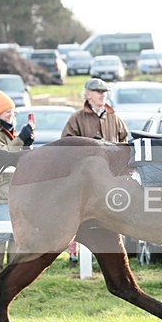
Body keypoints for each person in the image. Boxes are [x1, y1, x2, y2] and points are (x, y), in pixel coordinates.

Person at [61, 77, 129, 265]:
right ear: (88, 94)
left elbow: (125, 142)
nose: (102, 95)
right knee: (78, 220)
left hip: (110, 180)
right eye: (98, 91)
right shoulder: (76, 118)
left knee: (113, 221)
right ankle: (74, 257)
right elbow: (66, 145)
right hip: (84, 181)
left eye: (104, 92)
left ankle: (112, 262)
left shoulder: (114, 117)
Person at [0, 90, 34, 272]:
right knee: (1, 233)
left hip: (15, 190)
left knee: (14, 234)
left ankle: (10, 267)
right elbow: (1, 155)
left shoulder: (11, 132)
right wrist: (20, 140)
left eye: (12, 111)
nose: (11, 115)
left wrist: (27, 144)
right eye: (6, 112)